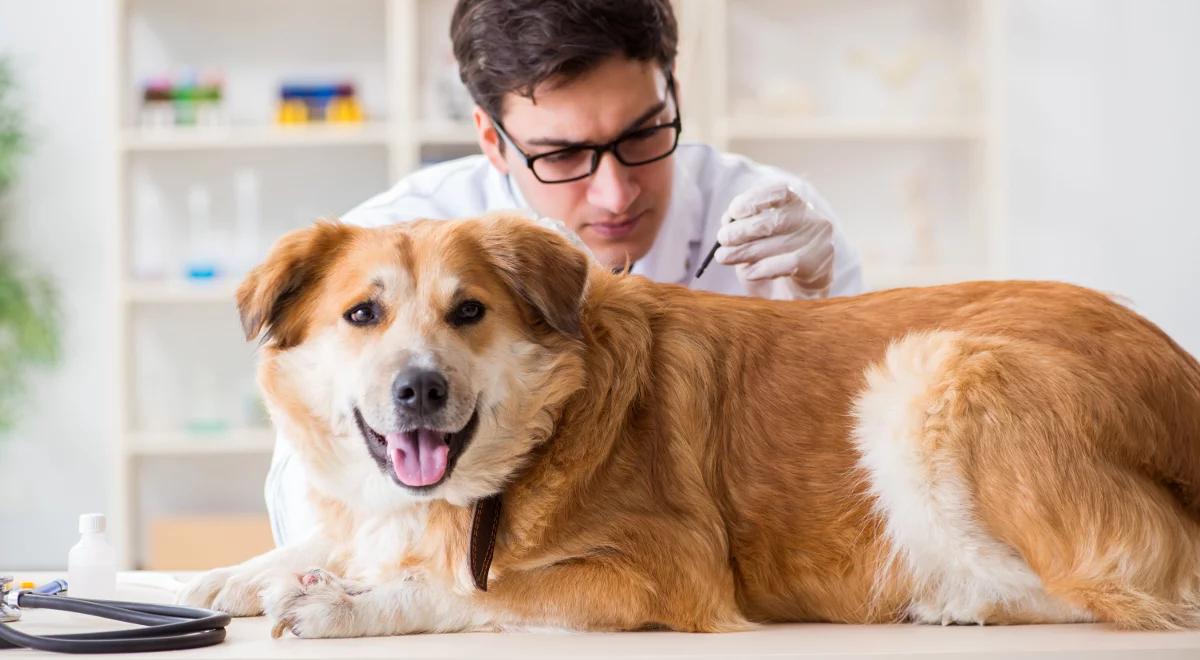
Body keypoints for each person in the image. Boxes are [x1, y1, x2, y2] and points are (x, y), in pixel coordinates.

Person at [266, 0, 865, 545]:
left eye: (644, 134)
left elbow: (859, 481)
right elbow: (310, 493)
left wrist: (811, 327)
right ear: (492, 141)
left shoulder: (782, 222)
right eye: (562, 155)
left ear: (675, 95)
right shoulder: (387, 242)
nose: (615, 193)